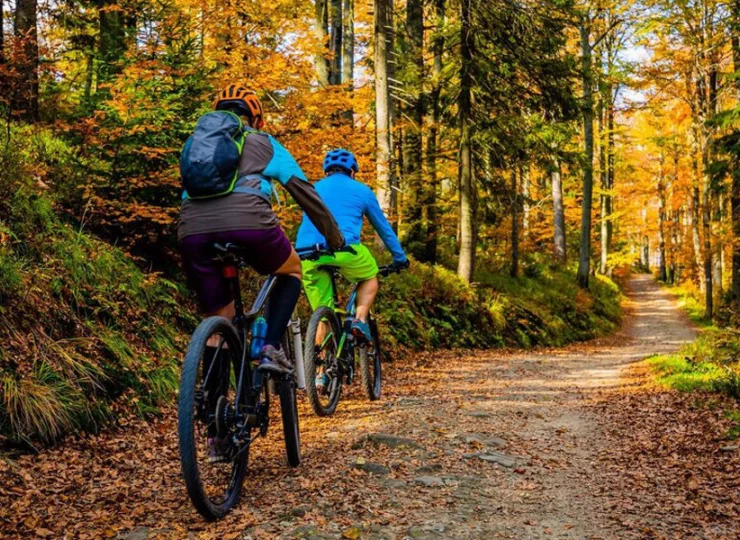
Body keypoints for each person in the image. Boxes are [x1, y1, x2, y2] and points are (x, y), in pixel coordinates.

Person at [178, 85, 344, 395]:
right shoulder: (264, 142)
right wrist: (333, 237)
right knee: (292, 269)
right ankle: (270, 347)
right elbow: (305, 194)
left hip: (192, 232)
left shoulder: (195, 144)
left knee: (219, 320)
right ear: (257, 119)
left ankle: (216, 426)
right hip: (250, 225)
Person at [295, 149, 408, 390]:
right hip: (344, 250)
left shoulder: (313, 187)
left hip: (307, 254)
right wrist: (399, 258)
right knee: (370, 276)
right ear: (353, 171)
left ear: (326, 171)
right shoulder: (362, 191)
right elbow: (384, 229)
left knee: (322, 311)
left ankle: (319, 374)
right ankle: (358, 320)